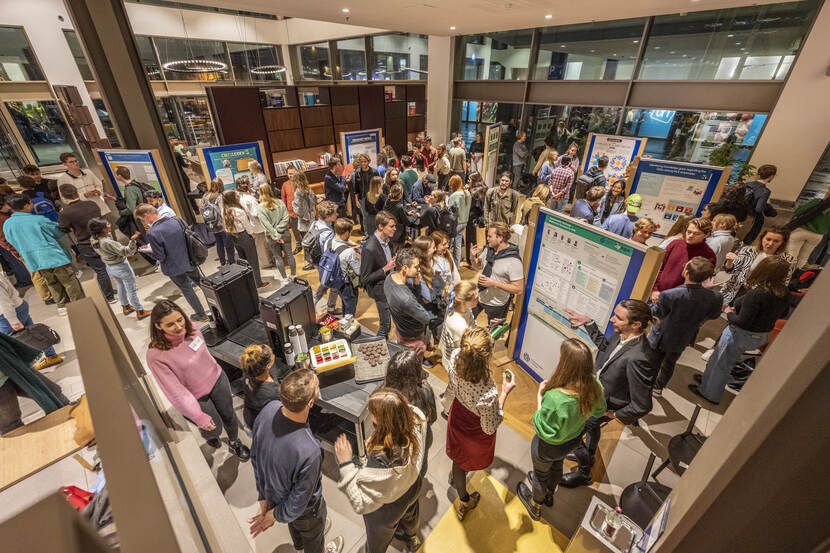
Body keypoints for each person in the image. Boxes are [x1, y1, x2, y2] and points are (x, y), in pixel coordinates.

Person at [560, 300, 656, 487]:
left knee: (572, 436)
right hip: (595, 398)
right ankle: (589, 454)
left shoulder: (639, 357)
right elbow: (605, 346)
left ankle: (584, 473)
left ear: (636, 325)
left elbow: (643, 404)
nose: (612, 319)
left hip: (605, 405)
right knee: (591, 429)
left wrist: (614, 414)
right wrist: (589, 323)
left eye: (618, 318)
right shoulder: (623, 335)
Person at [248, 368, 345, 553]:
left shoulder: (269, 409)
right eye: (317, 387)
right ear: (310, 403)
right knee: (313, 536)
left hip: (275, 498)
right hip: (306, 513)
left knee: (296, 527)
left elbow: (255, 458)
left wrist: (264, 496)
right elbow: (299, 501)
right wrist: (274, 515)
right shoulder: (310, 450)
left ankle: (299, 547)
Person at [146, 300, 250, 459]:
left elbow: (204, 354)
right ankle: (212, 437)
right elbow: (175, 392)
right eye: (170, 324)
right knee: (213, 428)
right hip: (196, 395)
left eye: (180, 320)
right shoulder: (156, 355)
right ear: (158, 326)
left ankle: (235, 441)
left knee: (229, 414)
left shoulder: (193, 329)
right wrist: (198, 416)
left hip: (217, 378)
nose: (179, 327)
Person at [516, 339, 606, 520]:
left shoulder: (556, 398)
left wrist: (539, 396)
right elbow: (600, 410)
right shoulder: (594, 385)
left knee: (540, 475)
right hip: (571, 441)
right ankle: (549, 494)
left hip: (547, 446)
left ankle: (536, 505)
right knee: (557, 465)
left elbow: (542, 428)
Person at [334, 388, 426, 553]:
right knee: (410, 515)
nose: (368, 412)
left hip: (389, 507)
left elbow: (360, 503)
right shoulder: (416, 416)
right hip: (412, 486)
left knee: (378, 537)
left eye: (371, 412)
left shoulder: (381, 461)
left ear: (384, 421)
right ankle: (411, 538)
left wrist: (345, 463)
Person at [691, 257, 791, 404]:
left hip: (740, 334)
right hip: (760, 335)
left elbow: (742, 321)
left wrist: (727, 311)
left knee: (722, 364)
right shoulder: (784, 292)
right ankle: (707, 380)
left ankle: (709, 393)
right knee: (719, 359)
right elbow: (782, 314)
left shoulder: (758, 293)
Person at [445, 326, 516, 520]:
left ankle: (454, 476)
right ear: (485, 358)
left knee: (457, 458)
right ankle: (465, 499)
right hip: (473, 430)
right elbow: (489, 426)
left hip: (458, 414)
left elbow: (452, 385)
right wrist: (504, 393)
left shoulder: (455, 357)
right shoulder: (487, 390)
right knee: (462, 462)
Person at [649, 257, 722, 396]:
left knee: (653, 363)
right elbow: (714, 315)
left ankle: (645, 386)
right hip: (685, 336)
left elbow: (657, 313)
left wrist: (652, 304)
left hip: (662, 336)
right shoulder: (715, 297)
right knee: (670, 363)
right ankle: (658, 388)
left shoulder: (669, 295)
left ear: (686, 273)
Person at [3, 194, 84, 316]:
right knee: (69, 281)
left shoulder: (7, 224)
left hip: (33, 259)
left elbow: (10, 240)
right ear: (26, 205)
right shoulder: (38, 220)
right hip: (53, 256)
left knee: (51, 282)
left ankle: (62, 306)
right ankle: (79, 304)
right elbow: (57, 232)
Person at [135, 204, 210, 321]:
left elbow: (160, 256)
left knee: (187, 289)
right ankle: (219, 303)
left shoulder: (152, 233)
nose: (143, 222)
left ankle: (201, 315)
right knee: (202, 283)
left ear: (146, 215)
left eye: (142, 219)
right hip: (189, 260)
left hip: (173, 268)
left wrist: (148, 251)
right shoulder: (177, 220)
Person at [57, 183, 117, 302]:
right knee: (112, 264)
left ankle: (109, 297)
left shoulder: (65, 213)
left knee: (100, 270)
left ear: (63, 197)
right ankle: (119, 288)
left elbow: (62, 229)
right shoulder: (92, 204)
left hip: (86, 244)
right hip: (103, 239)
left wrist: (71, 226)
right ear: (78, 193)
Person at [88, 218, 149, 320]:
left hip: (110, 267)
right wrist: (132, 240)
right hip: (121, 267)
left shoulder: (93, 239)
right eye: (107, 224)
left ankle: (125, 306)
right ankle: (140, 311)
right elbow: (127, 252)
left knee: (120, 286)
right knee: (131, 289)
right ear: (102, 229)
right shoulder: (108, 242)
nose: (110, 224)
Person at [0, 271, 63, 370]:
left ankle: (27, 372)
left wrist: (13, 321)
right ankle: (52, 356)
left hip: (8, 314)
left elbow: (4, 303)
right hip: (18, 306)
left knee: (12, 346)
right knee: (35, 334)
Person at [720, 225, 795, 306]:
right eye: (768, 239)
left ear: (782, 242)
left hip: (757, 297)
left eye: (776, 241)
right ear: (762, 238)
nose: (770, 243)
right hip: (734, 290)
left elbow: (782, 284)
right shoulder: (748, 250)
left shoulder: (788, 261)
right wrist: (729, 261)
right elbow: (730, 270)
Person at [470, 222, 524, 325]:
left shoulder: (514, 261)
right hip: (479, 296)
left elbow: (519, 289)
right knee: (467, 321)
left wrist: (494, 283)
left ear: (500, 238)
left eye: (490, 236)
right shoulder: (488, 249)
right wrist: (473, 258)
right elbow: (479, 266)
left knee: (493, 334)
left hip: (497, 304)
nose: (487, 238)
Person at [385, 248, 432, 361]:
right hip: (413, 339)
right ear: (405, 268)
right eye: (416, 267)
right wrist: (419, 286)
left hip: (401, 331)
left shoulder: (389, 278)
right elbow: (426, 318)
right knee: (413, 366)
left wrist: (416, 285)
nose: (419, 269)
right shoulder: (406, 299)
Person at [652, 218, 716, 301]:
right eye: (689, 232)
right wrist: (655, 289)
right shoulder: (675, 244)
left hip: (681, 300)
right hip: (658, 294)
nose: (691, 235)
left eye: (696, 233)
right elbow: (660, 268)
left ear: (706, 235)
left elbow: (701, 284)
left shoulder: (709, 256)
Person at [360, 211, 397, 338]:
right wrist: (385, 269)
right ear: (381, 227)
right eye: (391, 226)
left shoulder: (388, 241)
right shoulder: (369, 248)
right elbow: (364, 279)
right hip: (380, 291)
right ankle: (379, 351)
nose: (395, 229)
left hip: (390, 287)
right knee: (385, 326)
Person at [221, 190, 269, 289]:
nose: (238, 195)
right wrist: (252, 234)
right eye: (236, 194)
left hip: (234, 236)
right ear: (232, 198)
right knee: (253, 260)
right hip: (244, 236)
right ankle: (258, 283)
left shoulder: (224, 210)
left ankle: (248, 282)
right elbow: (247, 225)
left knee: (243, 260)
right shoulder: (238, 211)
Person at [258, 184, 295, 283]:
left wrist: (275, 234)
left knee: (278, 257)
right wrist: (279, 231)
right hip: (285, 233)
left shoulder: (260, 208)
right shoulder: (280, 202)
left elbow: (266, 225)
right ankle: (294, 275)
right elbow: (286, 218)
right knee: (289, 255)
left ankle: (284, 278)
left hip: (271, 236)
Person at [239, 343, 281, 428]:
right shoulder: (272, 391)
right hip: (261, 425)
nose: (273, 355)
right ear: (268, 365)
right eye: (272, 354)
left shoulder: (249, 369)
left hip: (249, 415)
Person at [310, 201, 341, 315]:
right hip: (325, 263)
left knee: (325, 283)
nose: (337, 214)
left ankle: (312, 305)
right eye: (335, 213)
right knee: (333, 284)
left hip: (315, 260)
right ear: (328, 216)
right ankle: (330, 308)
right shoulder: (327, 233)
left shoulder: (314, 224)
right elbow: (329, 253)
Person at [440, 280, 478, 371]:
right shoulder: (459, 326)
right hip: (457, 361)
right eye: (476, 298)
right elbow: (465, 351)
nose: (479, 299)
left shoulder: (461, 306)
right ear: (464, 302)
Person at [786, 191, 830, 268]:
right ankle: (793, 277)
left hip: (801, 231)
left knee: (790, 255)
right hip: (817, 236)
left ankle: (782, 276)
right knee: (803, 259)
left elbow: (798, 212)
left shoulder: (818, 201)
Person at [0, 186, 33, 289]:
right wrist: (10, 247)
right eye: (7, 204)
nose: (10, 206)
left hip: (16, 243)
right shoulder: (3, 217)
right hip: (11, 245)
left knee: (17, 263)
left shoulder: (7, 214)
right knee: (16, 262)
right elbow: (3, 236)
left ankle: (25, 279)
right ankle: (25, 279)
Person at [328, 218, 361, 317]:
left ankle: (344, 318)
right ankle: (348, 327)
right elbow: (359, 270)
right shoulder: (349, 253)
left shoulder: (329, 241)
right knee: (350, 309)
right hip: (347, 284)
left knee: (344, 301)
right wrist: (362, 256)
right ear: (347, 233)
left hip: (335, 280)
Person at [202, 178, 235, 267]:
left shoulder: (205, 196)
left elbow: (202, 209)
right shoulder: (219, 196)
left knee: (219, 243)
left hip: (211, 224)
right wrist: (226, 224)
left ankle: (222, 261)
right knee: (228, 243)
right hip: (221, 224)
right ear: (221, 185)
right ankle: (232, 262)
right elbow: (221, 211)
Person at [743, 164, 778, 245]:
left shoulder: (746, 184)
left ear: (759, 174)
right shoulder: (765, 191)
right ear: (771, 176)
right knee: (743, 241)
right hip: (749, 220)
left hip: (738, 214)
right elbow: (758, 209)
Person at [291, 172, 318, 270]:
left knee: (306, 244)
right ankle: (315, 261)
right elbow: (315, 201)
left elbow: (299, 210)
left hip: (304, 222)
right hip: (312, 219)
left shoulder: (298, 192)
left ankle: (311, 263)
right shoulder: (309, 189)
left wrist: (292, 204)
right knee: (313, 242)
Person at [383, 185, 418, 251]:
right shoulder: (399, 207)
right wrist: (415, 215)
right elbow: (407, 222)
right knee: (398, 252)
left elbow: (395, 213)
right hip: (398, 235)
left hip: (388, 232)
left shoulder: (387, 201)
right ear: (400, 194)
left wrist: (407, 213)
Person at [447, 175, 471, 266]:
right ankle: (456, 267)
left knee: (447, 245)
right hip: (464, 222)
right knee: (458, 245)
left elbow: (450, 210)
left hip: (455, 223)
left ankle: (448, 267)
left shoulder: (455, 195)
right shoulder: (467, 193)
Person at [350, 154, 376, 232]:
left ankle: (375, 232)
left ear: (369, 162)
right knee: (365, 216)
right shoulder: (357, 173)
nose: (363, 163)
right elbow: (356, 188)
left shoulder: (374, 172)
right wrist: (356, 200)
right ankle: (367, 234)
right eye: (361, 162)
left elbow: (378, 186)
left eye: (365, 162)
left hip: (373, 198)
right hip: (362, 198)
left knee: (373, 215)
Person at [280, 167, 303, 252]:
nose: (291, 175)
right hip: (291, 213)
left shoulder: (301, 183)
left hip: (302, 213)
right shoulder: (285, 185)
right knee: (295, 231)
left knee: (304, 231)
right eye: (289, 174)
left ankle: (307, 246)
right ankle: (299, 245)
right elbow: (283, 198)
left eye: (293, 173)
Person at [466, 175, 486, 264]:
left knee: (470, 238)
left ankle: (471, 259)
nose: (468, 181)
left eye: (469, 179)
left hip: (471, 216)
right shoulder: (483, 188)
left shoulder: (473, 191)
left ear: (474, 180)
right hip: (478, 216)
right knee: (474, 238)